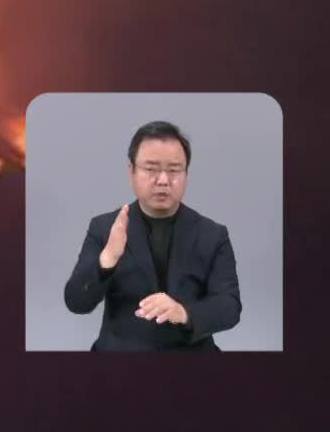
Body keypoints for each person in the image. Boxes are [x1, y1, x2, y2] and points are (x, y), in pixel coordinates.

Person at [62, 120, 241, 350]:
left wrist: (184, 313)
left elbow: (229, 306)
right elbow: (76, 302)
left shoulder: (213, 234)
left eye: (174, 170)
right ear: (132, 172)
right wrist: (107, 260)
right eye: (151, 169)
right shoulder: (104, 227)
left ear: (186, 173)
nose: (163, 180)